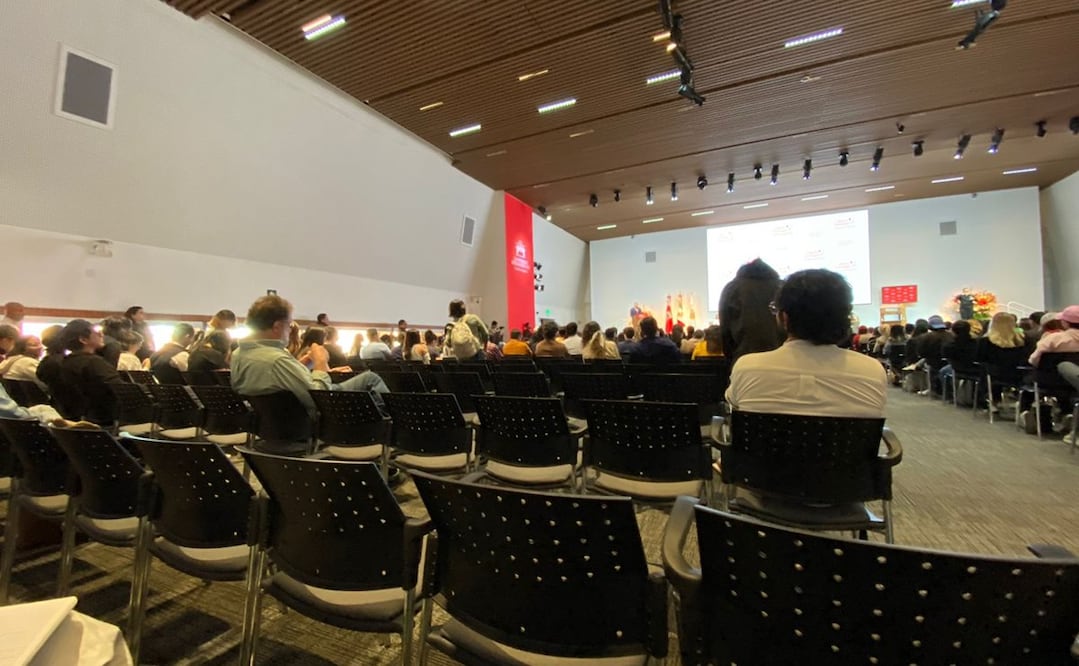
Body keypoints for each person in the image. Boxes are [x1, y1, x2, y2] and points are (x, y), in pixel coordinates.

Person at [727, 269, 886, 418]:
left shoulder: (747, 368)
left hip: (768, 448)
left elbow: (734, 406)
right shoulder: (872, 371)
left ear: (784, 318)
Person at [230, 295, 389, 422]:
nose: (290, 331)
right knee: (370, 378)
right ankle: (385, 426)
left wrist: (305, 363)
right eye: (289, 325)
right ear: (277, 326)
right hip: (307, 416)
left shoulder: (239, 354)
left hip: (272, 422)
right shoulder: (276, 360)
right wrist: (320, 363)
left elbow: (278, 382)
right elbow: (319, 397)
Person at [719, 258, 785, 366]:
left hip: (744, 360)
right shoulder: (783, 287)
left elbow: (725, 332)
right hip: (782, 361)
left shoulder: (732, 288)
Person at [59, 319, 126, 424]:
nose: (101, 335)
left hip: (84, 416)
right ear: (83, 339)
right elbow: (121, 390)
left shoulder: (66, 362)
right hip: (106, 419)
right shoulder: (94, 362)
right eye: (96, 332)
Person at [975, 312, 1031, 409]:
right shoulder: (1023, 340)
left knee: (985, 369)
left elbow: (979, 358)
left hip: (994, 375)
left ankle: (991, 401)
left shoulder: (985, 341)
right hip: (1019, 375)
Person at [939, 320, 979, 398]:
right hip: (976, 369)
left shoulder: (949, 345)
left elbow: (945, 356)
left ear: (953, 331)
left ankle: (948, 395)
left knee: (943, 371)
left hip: (957, 369)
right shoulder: (976, 343)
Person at [916, 315, 954, 396]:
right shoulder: (951, 335)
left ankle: (932, 389)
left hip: (933, 363)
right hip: (949, 363)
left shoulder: (925, 337)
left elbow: (921, 353)